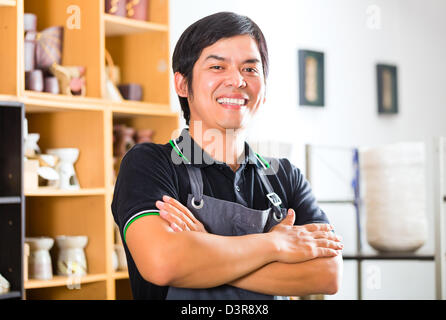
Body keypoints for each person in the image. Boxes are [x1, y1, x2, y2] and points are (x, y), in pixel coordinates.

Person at [111, 11, 343, 300]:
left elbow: (328, 274)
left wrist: (204, 247)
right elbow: (163, 262)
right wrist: (275, 246)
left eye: (250, 69)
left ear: (264, 89)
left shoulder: (286, 177)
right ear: (182, 84)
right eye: (217, 67)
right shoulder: (149, 164)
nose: (237, 80)